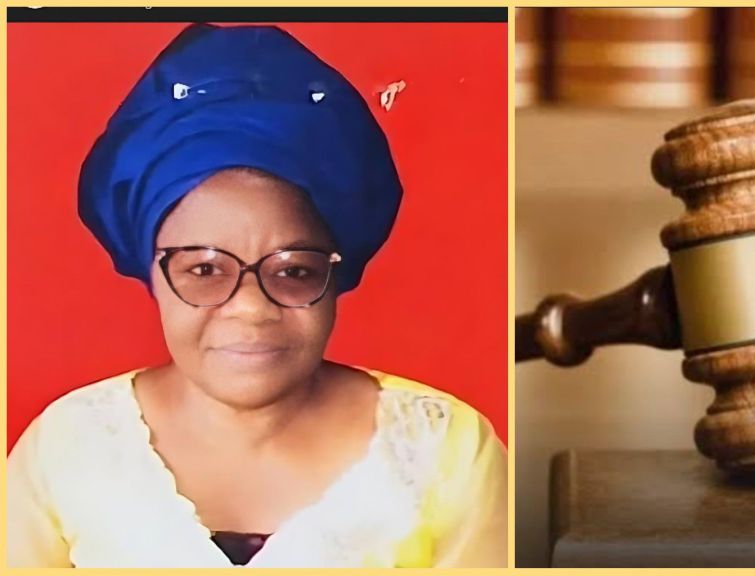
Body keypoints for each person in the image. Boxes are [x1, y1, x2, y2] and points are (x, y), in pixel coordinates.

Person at [6, 23, 506, 568]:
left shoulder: (444, 451)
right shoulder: (67, 447)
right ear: (150, 271)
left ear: (336, 275)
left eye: (293, 271)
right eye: (203, 269)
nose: (249, 307)